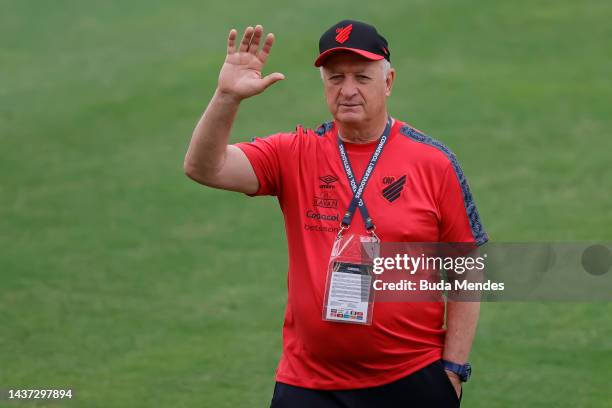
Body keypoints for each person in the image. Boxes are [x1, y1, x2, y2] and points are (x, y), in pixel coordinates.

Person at [184, 19, 488, 408]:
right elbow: (204, 168)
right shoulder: (294, 153)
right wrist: (227, 97)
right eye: (335, 78)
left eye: (361, 77)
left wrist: (454, 370)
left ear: (389, 81)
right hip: (310, 385)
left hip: (411, 380)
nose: (347, 90)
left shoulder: (433, 163)